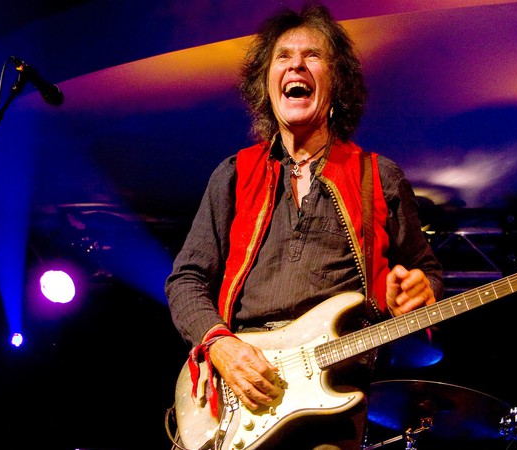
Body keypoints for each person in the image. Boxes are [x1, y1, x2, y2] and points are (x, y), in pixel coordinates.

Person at [164, 3, 444, 449]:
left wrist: (417, 288)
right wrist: (221, 346)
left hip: (333, 398)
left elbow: (424, 271)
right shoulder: (234, 174)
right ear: (266, 84)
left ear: (337, 84)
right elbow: (187, 279)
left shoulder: (379, 176)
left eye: (313, 55)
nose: (296, 63)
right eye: (283, 56)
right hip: (239, 389)